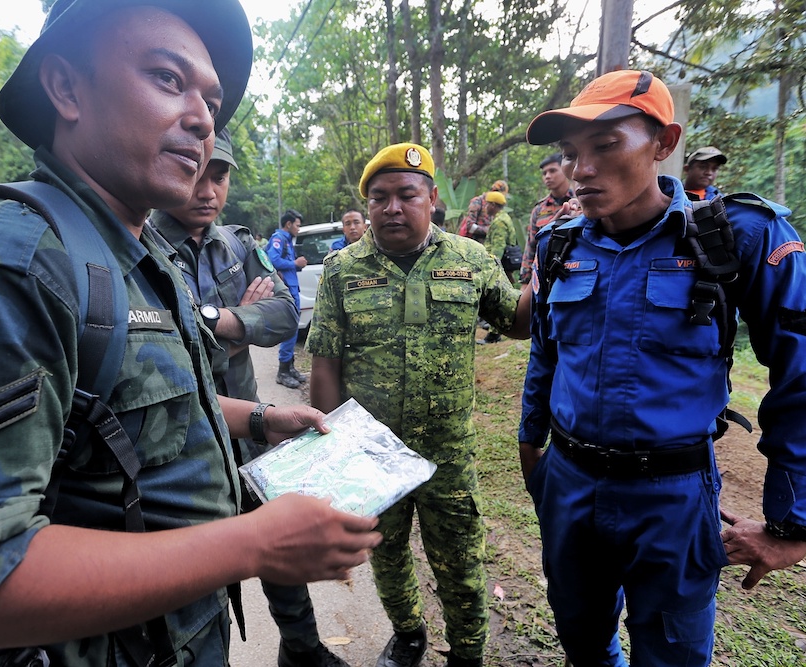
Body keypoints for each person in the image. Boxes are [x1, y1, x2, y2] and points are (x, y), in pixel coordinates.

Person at [0, 2, 381, 665]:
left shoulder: (139, 261)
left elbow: (118, 411)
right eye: (166, 77)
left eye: (211, 100)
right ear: (66, 87)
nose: (202, 119)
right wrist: (253, 544)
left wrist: (263, 418)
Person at [519, 69, 806, 667]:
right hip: (570, 485)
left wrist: (792, 523)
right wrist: (532, 443)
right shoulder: (562, 245)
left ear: (664, 143)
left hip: (673, 495)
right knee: (581, 638)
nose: (582, 170)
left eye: (606, 145)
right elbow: (545, 352)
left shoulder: (736, 235)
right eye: (571, 154)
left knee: (673, 655)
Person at [307, 143, 532, 667]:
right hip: (372, 452)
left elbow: (516, 324)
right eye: (379, 198)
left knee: (461, 561)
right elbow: (325, 366)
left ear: (431, 198)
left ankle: (469, 653)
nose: (392, 208)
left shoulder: (471, 259)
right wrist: (333, 453)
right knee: (386, 555)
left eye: (406, 195)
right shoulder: (342, 269)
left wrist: (546, 271)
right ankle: (408, 633)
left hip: (448, 454)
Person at [149, 130, 348, 667]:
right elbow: (165, 345)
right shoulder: (138, 245)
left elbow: (285, 310)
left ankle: (303, 649)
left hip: (256, 431)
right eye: (196, 171)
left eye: (220, 174)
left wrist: (220, 318)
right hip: (177, 443)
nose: (207, 188)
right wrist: (236, 328)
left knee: (278, 548)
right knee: (199, 565)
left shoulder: (237, 244)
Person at [266, 209, 308, 388]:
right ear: (289, 224)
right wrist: (294, 263)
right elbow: (272, 260)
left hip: (292, 289)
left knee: (293, 330)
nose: (299, 228)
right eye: (297, 225)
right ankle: (282, 371)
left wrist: (295, 266)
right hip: (286, 292)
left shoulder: (287, 241)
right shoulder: (279, 239)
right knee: (289, 328)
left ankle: (290, 367)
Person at [519, 153, 574, 285]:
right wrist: (525, 281)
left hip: (575, 272)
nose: (547, 176)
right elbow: (531, 247)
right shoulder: (539, 209)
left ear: (566, 169)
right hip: (545, 276)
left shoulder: (580, 202)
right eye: (544, 173)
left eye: (553, 171)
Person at [475, 191, 519, 344]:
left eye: (487, 204)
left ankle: (494, 335)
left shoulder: (499, 222)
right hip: (504, 265)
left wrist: (492, 267)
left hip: (498, 266)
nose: (485, 207)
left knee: (497, 299)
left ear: (493, 205)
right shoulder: (503, 218)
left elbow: (498, 247)